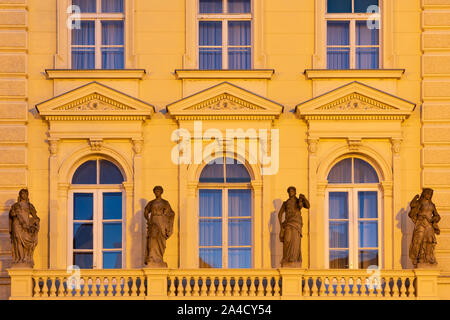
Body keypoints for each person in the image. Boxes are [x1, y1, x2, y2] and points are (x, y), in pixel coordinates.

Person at [278, 186, 310, 268]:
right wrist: (281, 226)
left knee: (295, 242)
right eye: (289, 191)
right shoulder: (285, 203)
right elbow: (280, 214)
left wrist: (303, 198)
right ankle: (286, 259)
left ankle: (293, 259)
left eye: (292, 191)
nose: (290, 193)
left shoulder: (298, 200)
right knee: (287, 240)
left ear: (295, 192)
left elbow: (308, 206)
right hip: (288, 223)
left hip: (296, 223)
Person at [144, 186, 175, 268]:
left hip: (162, 221)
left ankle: (159, 258)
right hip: (153, 220)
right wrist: (148, 220)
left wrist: (167, 220)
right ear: (154, 192)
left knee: (161, 240)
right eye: (156, 191)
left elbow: (171, 213)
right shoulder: (151, 203)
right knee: (152, 240)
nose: (157, 192)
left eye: (158, 191)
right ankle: (152, 257)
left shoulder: (165, 202)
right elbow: (146, 211)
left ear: (161, 192)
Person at [409, 188, 440, 267]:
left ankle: (428, 257)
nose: (429, 195)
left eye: (430, 194)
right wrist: (414, 199)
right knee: (418, 240)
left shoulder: (432, 205)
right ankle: (418, 257)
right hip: (421, 223)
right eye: (428, 193)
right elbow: (412, 209)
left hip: (429, 224)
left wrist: (434, 219)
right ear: (424, 194)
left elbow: (437, 216)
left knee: (429, 240)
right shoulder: (419, 203)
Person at [9, 189, 40, 268]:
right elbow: (11, 215)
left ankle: (25, 258)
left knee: (26, 242)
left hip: (26, 226)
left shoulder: (29, 205)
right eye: (22, 194)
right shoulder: (16, 205)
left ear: (27, 195)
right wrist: (13, 213)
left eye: (25, 194)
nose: (24, 195)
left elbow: (35, 217)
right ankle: (20, 258)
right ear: (20, 195)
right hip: (17, 224)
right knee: (18, 240)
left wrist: (35, 223)